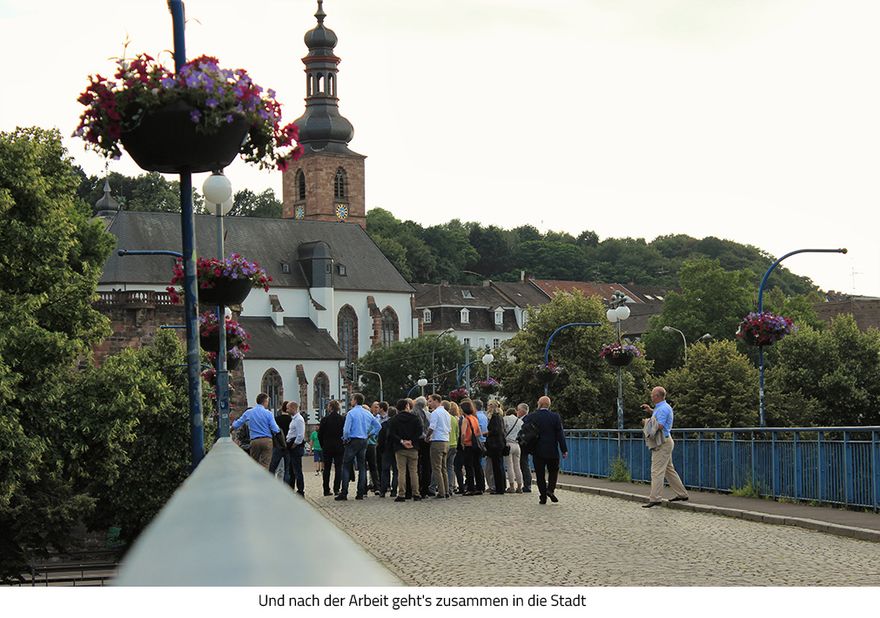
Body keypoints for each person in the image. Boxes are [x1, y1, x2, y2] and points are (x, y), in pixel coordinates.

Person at [640, 386, 689, 508]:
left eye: (652, 395)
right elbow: (658, 417)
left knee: (656, 471)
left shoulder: (663, 409)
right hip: (666, 441)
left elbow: (660, 426)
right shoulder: (661, 407)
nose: (651, 396)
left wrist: (646, 422)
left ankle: (655, 498)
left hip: (662, 443)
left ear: (658, 396)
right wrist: (650, 410)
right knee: (669, 470)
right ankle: (682, 494)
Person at [522, 395, 567, 504]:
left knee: (540, 474)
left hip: (537, 450)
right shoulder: (555, 417)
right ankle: (550, 490)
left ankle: (543, 496)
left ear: (539, 404)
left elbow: (524, 427)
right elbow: (560, 434)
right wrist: (564, 449)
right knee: (553, 471)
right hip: (552, 449)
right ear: (549, 405)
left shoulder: (532, 416)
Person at [336, 393, 381, 501]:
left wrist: (345, 439)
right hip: (364, 440)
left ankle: (344, 492)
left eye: (351, 399)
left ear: (355, 400)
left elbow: (346, 430)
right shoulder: (367, 413)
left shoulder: (351, 413)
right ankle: (360, 492)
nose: (350, 401)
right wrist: (371, 434)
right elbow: (378, 426)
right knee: (362, 467)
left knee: (346, 465)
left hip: (353, 440)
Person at [231, 393, 281, 469]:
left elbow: (236, 424)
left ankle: (254, 478)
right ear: (265, 401)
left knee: (254, 463)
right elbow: (275, 429)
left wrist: (230, 428)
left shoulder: (249, 412)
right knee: (265, 463)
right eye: (267, 402)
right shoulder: (268, 413)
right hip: (267, 440)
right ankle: (263, 479)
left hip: (254, 441)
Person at [388, 398, 423, 501]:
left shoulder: (394, 419)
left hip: (400, 448)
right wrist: (412, 441)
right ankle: (416, 493)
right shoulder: (415, 418)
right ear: (407, 406)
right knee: (414, 471)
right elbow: (419, 432)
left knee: (401, 471)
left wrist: (402, 441)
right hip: (413, 447)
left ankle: (402, 494)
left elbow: (392, 434)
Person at [425, 394, 452, 499]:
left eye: (431, 401)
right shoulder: (446, 413)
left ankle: (441, 492)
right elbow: (449, 428)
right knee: (444, 468)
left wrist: (427, 436)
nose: (429, 403)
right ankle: (446, 490)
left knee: (436, 468)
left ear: (436, 401)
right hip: (446, 441)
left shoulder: (435, 413)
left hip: (437, 441)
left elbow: (432, 427)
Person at [318, 400, 345, 496]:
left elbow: (320, 435)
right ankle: (336, 489)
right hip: (339, 447)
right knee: (338, 468)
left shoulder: (325, 420)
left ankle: (326, 489)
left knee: (327, 469)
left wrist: (322, 445)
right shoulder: (342, 419)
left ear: (330, 407)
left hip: (327, 447)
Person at [459, 399, 485, 495]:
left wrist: (462, 443)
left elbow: (463, 434)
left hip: (468, 445)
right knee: (477, 466)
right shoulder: (474, 418)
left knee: (469, 467)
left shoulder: (466, 419)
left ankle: (470, 488)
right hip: (476, 446)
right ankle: (480, 487)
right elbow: (478, 433)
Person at [412, 397, 434, 497]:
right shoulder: (425, 413)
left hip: (417, 440)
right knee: (426, 464)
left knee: (416, 465)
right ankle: (425, 487)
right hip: (425, 440)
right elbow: (428, 426)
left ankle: (418, 486)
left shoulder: (413, 413)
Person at [484, 400, 507, 495]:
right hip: (500, 444)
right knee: (499, 466)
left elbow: (495, 430)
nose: (487, 407)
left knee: (497, 467)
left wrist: (488, 433)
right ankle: (501, 487)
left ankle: (499, 488)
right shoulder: (500, 417)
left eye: (489, 405)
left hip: (495, 445)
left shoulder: (495, 417)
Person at [376, 406, 399, 497]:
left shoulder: (385, 424)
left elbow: (380, 439)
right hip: (396, 449)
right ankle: (394, 490)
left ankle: (383, 490)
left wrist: (381, 449)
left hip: (386, 449)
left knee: (385, 470)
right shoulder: (398, 424)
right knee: (396, 470)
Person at [285, 401, 307, 496]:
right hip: (292, 446)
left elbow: (300, 435)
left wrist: (294, 444)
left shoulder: (298, 420)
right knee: (291, 469)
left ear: (293, 408)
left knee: (297, 469)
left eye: (288, 408)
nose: (287, 410)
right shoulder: (294, 419)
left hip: (295, 448)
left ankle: (300, 490)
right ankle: (291, 488)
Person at [269, 401, 292, 483]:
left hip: (277, 445)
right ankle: (287, 489)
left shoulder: (276, 419)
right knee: (287, 469)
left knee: (273, 468)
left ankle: (271, 485)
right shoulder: (291, 420)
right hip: (288, 446)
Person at [503, 407, 524, 493]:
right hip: (517, 445)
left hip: (508, 444)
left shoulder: (505, 419)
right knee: (517, 466)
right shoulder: (520, 421)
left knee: (509, 466)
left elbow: (503, 430)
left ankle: (511, 486)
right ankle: (519, 486)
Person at [446, 400, 463, 495]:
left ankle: (448, 486)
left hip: (447, 443)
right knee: (451, 467)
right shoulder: (457, 419)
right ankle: (452, 487)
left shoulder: (448, 418)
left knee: (445, 467)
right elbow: (458, 433)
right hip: (455, 444)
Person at [516, 403, 533, 492]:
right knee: (524, 464)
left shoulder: (525, 420)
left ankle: (527, 484)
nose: (517, 412)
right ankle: (527, 484)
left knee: (524, 464)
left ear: (522, 411)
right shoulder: (526, 419)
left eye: (518, 410)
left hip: (524, 445)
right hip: (524, 444)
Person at [366, 401, 382, 494]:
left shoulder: (375, 418)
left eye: (378, 407)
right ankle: (371, 485)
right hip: (369, 443)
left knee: (373, 466)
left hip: (372, 443)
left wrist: (371, 434)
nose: (376, 409)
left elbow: (378, 428)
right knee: (368, 467)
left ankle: (376, 486)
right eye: (375, 407)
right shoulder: (371, 418)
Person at [474, 399, 489, 492]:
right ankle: (481, 484)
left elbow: (477, 430)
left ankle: (480, 485)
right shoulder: (484, 415)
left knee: (477, 464)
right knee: (480, 464)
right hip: (484, 441)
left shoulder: (476, 416)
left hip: (478, 441)